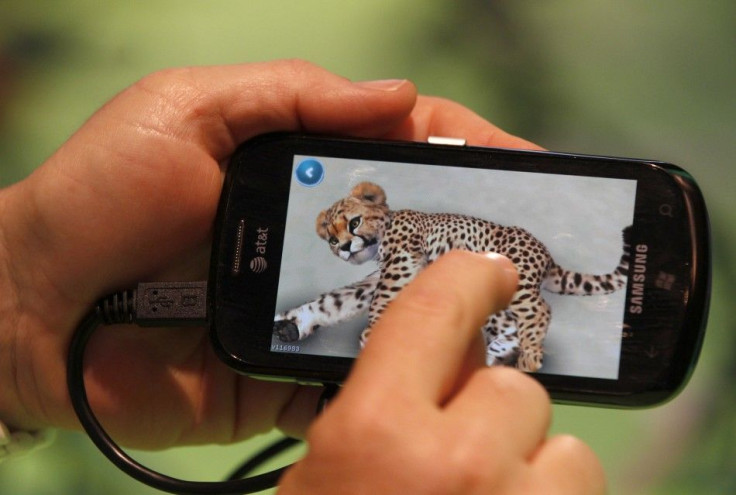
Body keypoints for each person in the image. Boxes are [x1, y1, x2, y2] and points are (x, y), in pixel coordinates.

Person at [0, 60, 605, 493]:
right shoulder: (381, 242)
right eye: (334, 236)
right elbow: (376, 288)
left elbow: (389, 289)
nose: (344, 241)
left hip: (509, 256)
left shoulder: (398, 228)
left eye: (347, 226)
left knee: (486, 305)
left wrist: (21, 313)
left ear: (372, 207)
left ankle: (529, 329)